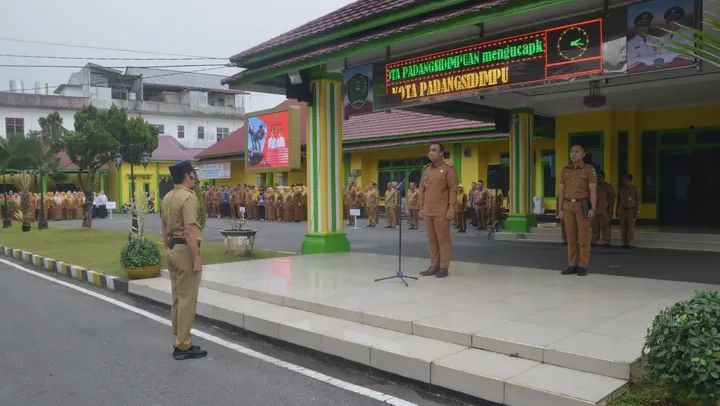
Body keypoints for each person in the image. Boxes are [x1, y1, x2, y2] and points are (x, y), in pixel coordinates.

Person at [161, 160, 207, 361]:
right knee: (187, 299)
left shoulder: (168, 196)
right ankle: (183, 345)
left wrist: (166, 247)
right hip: (185, 250)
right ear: (187, 176)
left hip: (172, 248)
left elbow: (164, 227)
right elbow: (189, 230)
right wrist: (196, 257)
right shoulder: (188, 198)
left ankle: (180, 338)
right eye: (193, 175)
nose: (194, 178)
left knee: (178, 298)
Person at [418, 143, 457, 278]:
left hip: (442, 211)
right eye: (429, 150)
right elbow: (422, 190)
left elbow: (453, 189)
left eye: (434, 150)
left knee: (443, 240)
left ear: (441, 153)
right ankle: (434, 265)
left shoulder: (448, 169)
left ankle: (444, 267)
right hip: (428, 210)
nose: (431, 152)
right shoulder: (426, 170)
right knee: (431, 240)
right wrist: (421, 206)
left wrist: (451, 207)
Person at [559, 145, 597, 276]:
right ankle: (572, 264)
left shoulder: (589, 170)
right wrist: (560, 209)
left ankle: (582, 265)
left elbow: (592, 190)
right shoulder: (565, 170)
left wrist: (593, 208)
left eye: (577, 152)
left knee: (584, 237)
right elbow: (562, 191)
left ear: (583, 154)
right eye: (571, 152)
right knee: (571, 237)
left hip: (583, 206)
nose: (573, 154)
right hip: (568, 205)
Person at [591, 171, 615, 246]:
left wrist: (610, 208)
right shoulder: (593, 186)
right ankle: (594, 240)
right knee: (594, 227)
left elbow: (611, 198)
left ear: (603, 177)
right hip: (594, 210)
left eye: (600, 177)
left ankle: (607, 241)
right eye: (597, 177)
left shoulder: (608, 187)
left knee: (606, 227)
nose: (598, 178)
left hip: (604, 210)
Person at [616, 174, 640, 248]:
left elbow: (638, 201)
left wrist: (637, 211)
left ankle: (631, 243)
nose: (624, 181)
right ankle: (624, 243)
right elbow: (618, 200)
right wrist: (617, 210)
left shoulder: (635, 189)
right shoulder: (621, 189)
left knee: (631, 227)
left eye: (625, 179)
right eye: (624, 179)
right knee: (623, 227)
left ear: (630, 180)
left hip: (631, 210)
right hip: (623, 210)